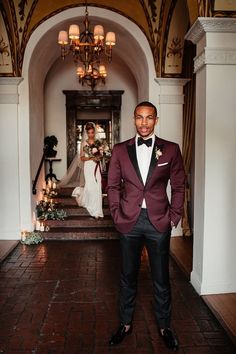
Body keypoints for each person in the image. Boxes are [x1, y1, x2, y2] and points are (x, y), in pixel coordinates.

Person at [107, 101, 185, 351]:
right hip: (128, 221)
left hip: (158, 221)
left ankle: (165, 326)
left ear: (156, 120)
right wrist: (117, 215)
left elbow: (179, 186)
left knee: (161, 278)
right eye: (139, 117)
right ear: (133, 119)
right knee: (127, 276)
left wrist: (173, 217)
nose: (144, 122)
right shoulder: (119, 150)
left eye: (149, 118)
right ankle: (125, 323)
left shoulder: (171, 150)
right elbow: (111, 186)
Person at [72, 122, 104, 219]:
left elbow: (101, 155)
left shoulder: (98, 142)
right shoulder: (84, 143)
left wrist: (99, 156)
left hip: (96, 167)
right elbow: (81, 158)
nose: (91, 134)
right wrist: (91, 158)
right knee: (90, 187)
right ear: (86, 132)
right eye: (89, 132)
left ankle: (98, 211)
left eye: (92, 132)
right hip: (88, 167)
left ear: (94, 132)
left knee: (98, 186)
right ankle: (91, 206)